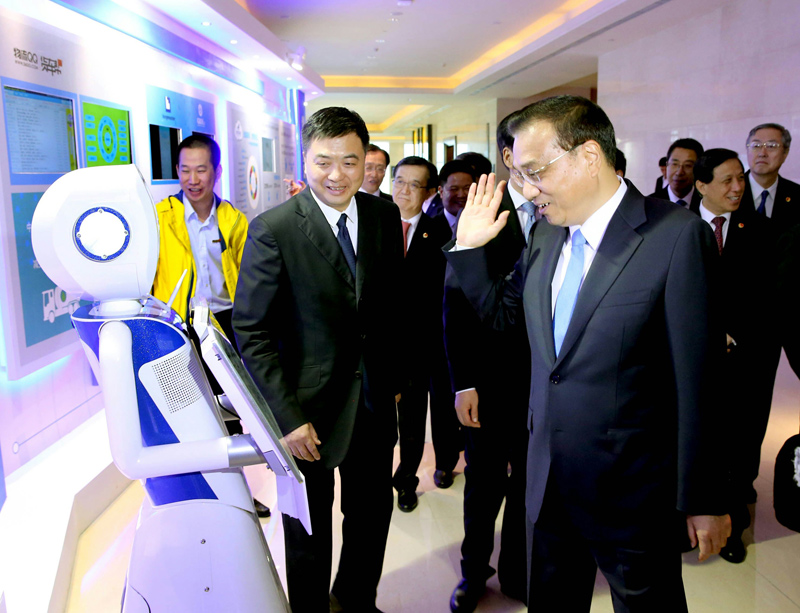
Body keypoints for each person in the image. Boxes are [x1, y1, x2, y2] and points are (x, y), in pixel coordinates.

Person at [446, 95, 730, 612]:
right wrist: (469, 250)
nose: (527, 189)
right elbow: (505, 321)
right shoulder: (546, 234)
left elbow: (700, 381)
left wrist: (705, 499)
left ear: (589, 156)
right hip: (548, 481)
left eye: (536, 172)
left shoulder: (674, 236)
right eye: (520, 175)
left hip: (634, 492)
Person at [233, 107, 403, 613]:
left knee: (371, 518)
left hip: (372, 404)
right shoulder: (275, 228)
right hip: (307, 414)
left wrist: (394, 376)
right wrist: (286, 418)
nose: (337, 175)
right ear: (304, 160)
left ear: (366, 161)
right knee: (308, 531)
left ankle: (355, 600)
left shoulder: (383, 216)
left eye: (350, 162)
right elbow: (253, 332)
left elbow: (391, 305)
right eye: (323, 162)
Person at [150, 134, 270, 519]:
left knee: (229, 413)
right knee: (185, 415)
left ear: (216, 172)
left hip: (223, 327)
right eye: (185, 170)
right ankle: (195, 498)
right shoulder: (160, 218)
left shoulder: (233, 220)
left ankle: (237, 496)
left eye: (201, 170)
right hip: (175, 330)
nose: (192, 179)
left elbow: (250, 278)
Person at [444, 112, 530, 612]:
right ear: (508, 155)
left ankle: (518, 571)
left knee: (531, 484)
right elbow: (456, 308)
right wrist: (464, 383)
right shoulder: (484, 211)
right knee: (484, 484)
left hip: (546, 384)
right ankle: (474, 572)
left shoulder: (565, 211)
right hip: (490, 382)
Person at [692, 149, 779, 563]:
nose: (737, 187)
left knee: (741, 447)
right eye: (726, 180)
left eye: (740, 179)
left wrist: (737, 334)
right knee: (697, 442)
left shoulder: (762, 230)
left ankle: (733, 530)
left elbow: (770, 298)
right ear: (701, 185)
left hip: (745, 362)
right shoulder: (677, 228)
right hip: (693, 360)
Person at [391, 156, 460, 512]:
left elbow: (449, 291)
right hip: (395, 344)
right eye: (399, 181)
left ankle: (432, 468)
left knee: (435, 411)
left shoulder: (440, 232)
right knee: (407, 418)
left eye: (414, 184)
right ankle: (404, 479)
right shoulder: (376, 227)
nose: (404, 190)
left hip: (433, 341)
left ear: (430, 192)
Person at [742, 123, 800, 235]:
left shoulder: (797, 195)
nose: (762, 153)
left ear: (785, 153)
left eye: (771, 146)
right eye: (756, 146)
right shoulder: (727, 192)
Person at [650, 138, 704, 209]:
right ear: (667, 165)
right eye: (674, 164)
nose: (679, 172)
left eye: (688, 165)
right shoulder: (648, 204)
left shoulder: (709, 204)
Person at [437, 160, 476, 233]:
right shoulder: (428, 227)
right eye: (454, 189)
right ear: (441, 192)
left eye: (467, 188)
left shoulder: (484, 224)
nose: (461, 195)